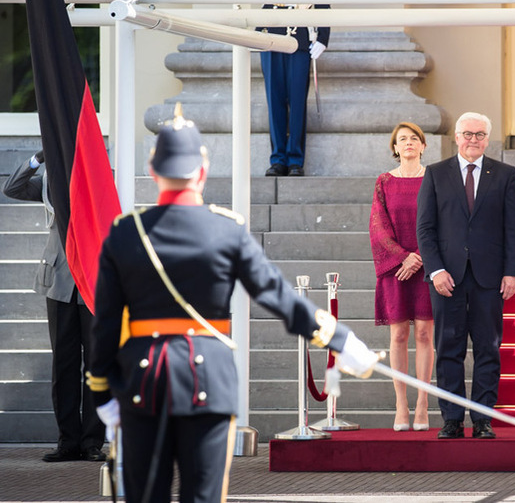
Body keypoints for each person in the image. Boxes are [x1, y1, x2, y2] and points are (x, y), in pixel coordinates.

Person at [85, 111, 378, 503]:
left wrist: (103, 394)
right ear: (202, 171)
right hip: (210, 379)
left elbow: (103, 325)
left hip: (144, 381)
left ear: (154, 171)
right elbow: (277, 295)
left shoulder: (125, 233)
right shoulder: (226, 229)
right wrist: (337, 338)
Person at [416, 112, 515, 439]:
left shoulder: (504, 174)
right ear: (456, 138)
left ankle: (482, 419)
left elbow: (513, 228)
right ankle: (451, 419)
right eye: (467, 134)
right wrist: (435, 270)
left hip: (490, 277)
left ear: (487, 139)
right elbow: (425, 228)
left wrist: (512, 272)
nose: (473, 139)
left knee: (488, 348)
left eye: (479, 134)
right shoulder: (435, 174)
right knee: (448, 348)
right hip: (446, 278)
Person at [2, 151, 106, 462]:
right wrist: (37, 159)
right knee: (64, 365)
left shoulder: (99, 176)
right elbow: (12, 188)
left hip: (92, 282)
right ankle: (68, 442)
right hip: (60, 281)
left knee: (96, 365)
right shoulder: (50, 181)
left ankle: (91, 443)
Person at [251, 0, 329, 177]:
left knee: (297, 101)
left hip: (299, 34)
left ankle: (295, 160)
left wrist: (323, 36)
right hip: (270, 32)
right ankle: (277, 158)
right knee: (275, 100)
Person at [369, 122, 434, 432]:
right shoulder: (384, 181)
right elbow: (378, 227)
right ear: (395, 148)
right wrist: (402, 257)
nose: (408, 143)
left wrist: (419, 256)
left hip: (427, 266)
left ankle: (422, 404)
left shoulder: (435, 179)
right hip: (397, 268)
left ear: (423, 146)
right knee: (398, 336)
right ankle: (401, 404)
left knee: (424, 334)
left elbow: (442, 222)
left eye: (414, 139)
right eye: (402, 139)